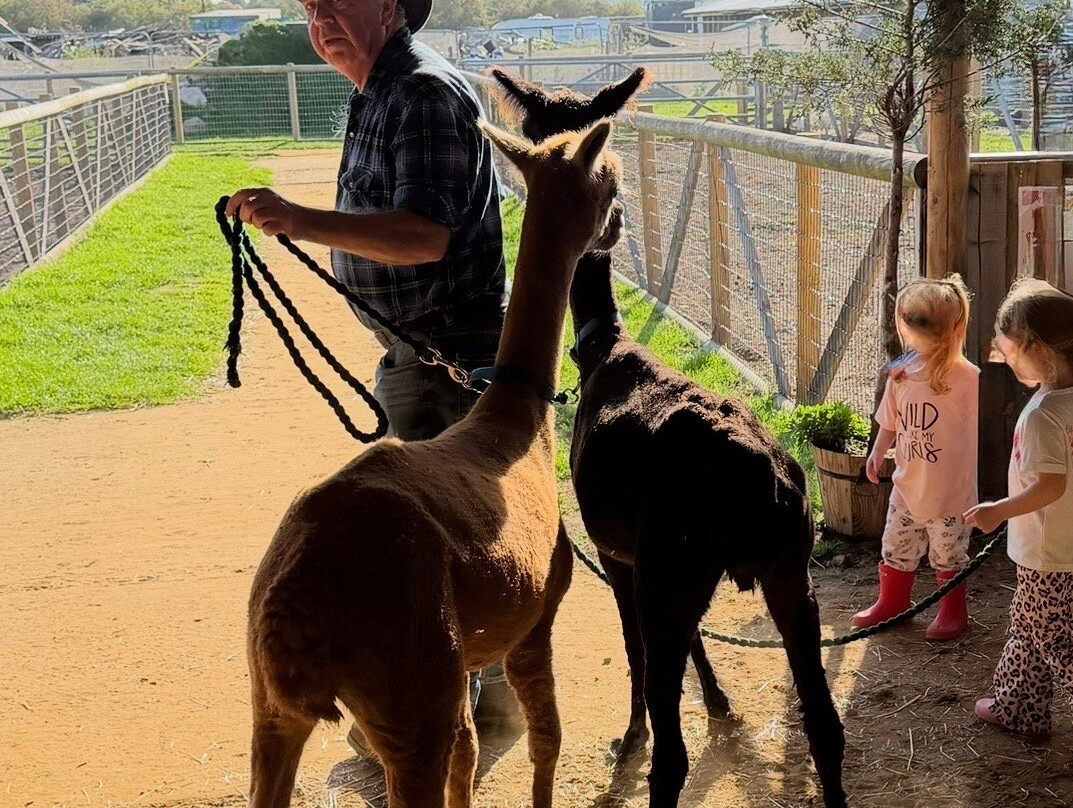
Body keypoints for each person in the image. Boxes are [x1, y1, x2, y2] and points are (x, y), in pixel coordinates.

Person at [224, 0, 520, 752]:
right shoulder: (379, 89)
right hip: (416, 353)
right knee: (430, 539)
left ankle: (453, 717)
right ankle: (467, 706)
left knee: (440, 545)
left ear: (388, 8)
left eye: (339, 1)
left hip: (450, 357)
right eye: (310, 6)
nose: (320, 18)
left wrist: (300, 219)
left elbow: (423, 236)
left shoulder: (420, 91)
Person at [966, 279, 1073, 736]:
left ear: (1033, 345)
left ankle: (1018, 707)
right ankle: (1018, 707)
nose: (1004, 356)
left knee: (1053, 639)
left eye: (1009, 346)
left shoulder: (1043, 415)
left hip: (1046, 552)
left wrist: (998, 510)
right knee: (1028, 627)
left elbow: (1050, 486)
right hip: (1064, 547)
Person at [854, 275, 979, 642]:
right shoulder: (901, 375)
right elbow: (890, 421)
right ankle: (893, 602)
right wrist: (877, 452)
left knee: (948, 554)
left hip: (950, 494)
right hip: (907, 485)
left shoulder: (965, 377)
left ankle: (952, 610)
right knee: (896, 545)